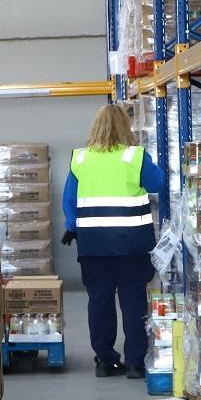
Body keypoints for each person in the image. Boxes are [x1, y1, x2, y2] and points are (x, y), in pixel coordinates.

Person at [61, 104, 167, 379]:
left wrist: (72, 227)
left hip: (93, 244)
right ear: (126, 127)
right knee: (133, 301)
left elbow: (70, 201)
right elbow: (157, 184)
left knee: (99, 300)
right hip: (132, 243)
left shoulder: (80, 158)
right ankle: (134, 362)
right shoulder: (135, 156)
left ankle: (105, 361)